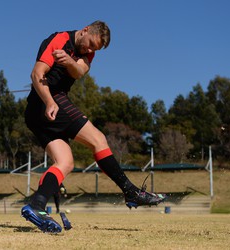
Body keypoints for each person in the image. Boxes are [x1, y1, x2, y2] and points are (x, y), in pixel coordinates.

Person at [21, 20, 167, 233]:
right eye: (90, 44)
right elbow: (36, 74)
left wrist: (69, 61)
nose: (89, 50)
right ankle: (130, 191)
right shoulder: (59, 39)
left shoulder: (88, 53)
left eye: (94, 49)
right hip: (46, 101)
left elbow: (79, 72)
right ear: (85, 30)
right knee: (98, 139)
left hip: (38, 113)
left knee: (65, 162)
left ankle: (36, 205)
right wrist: (50, 102)